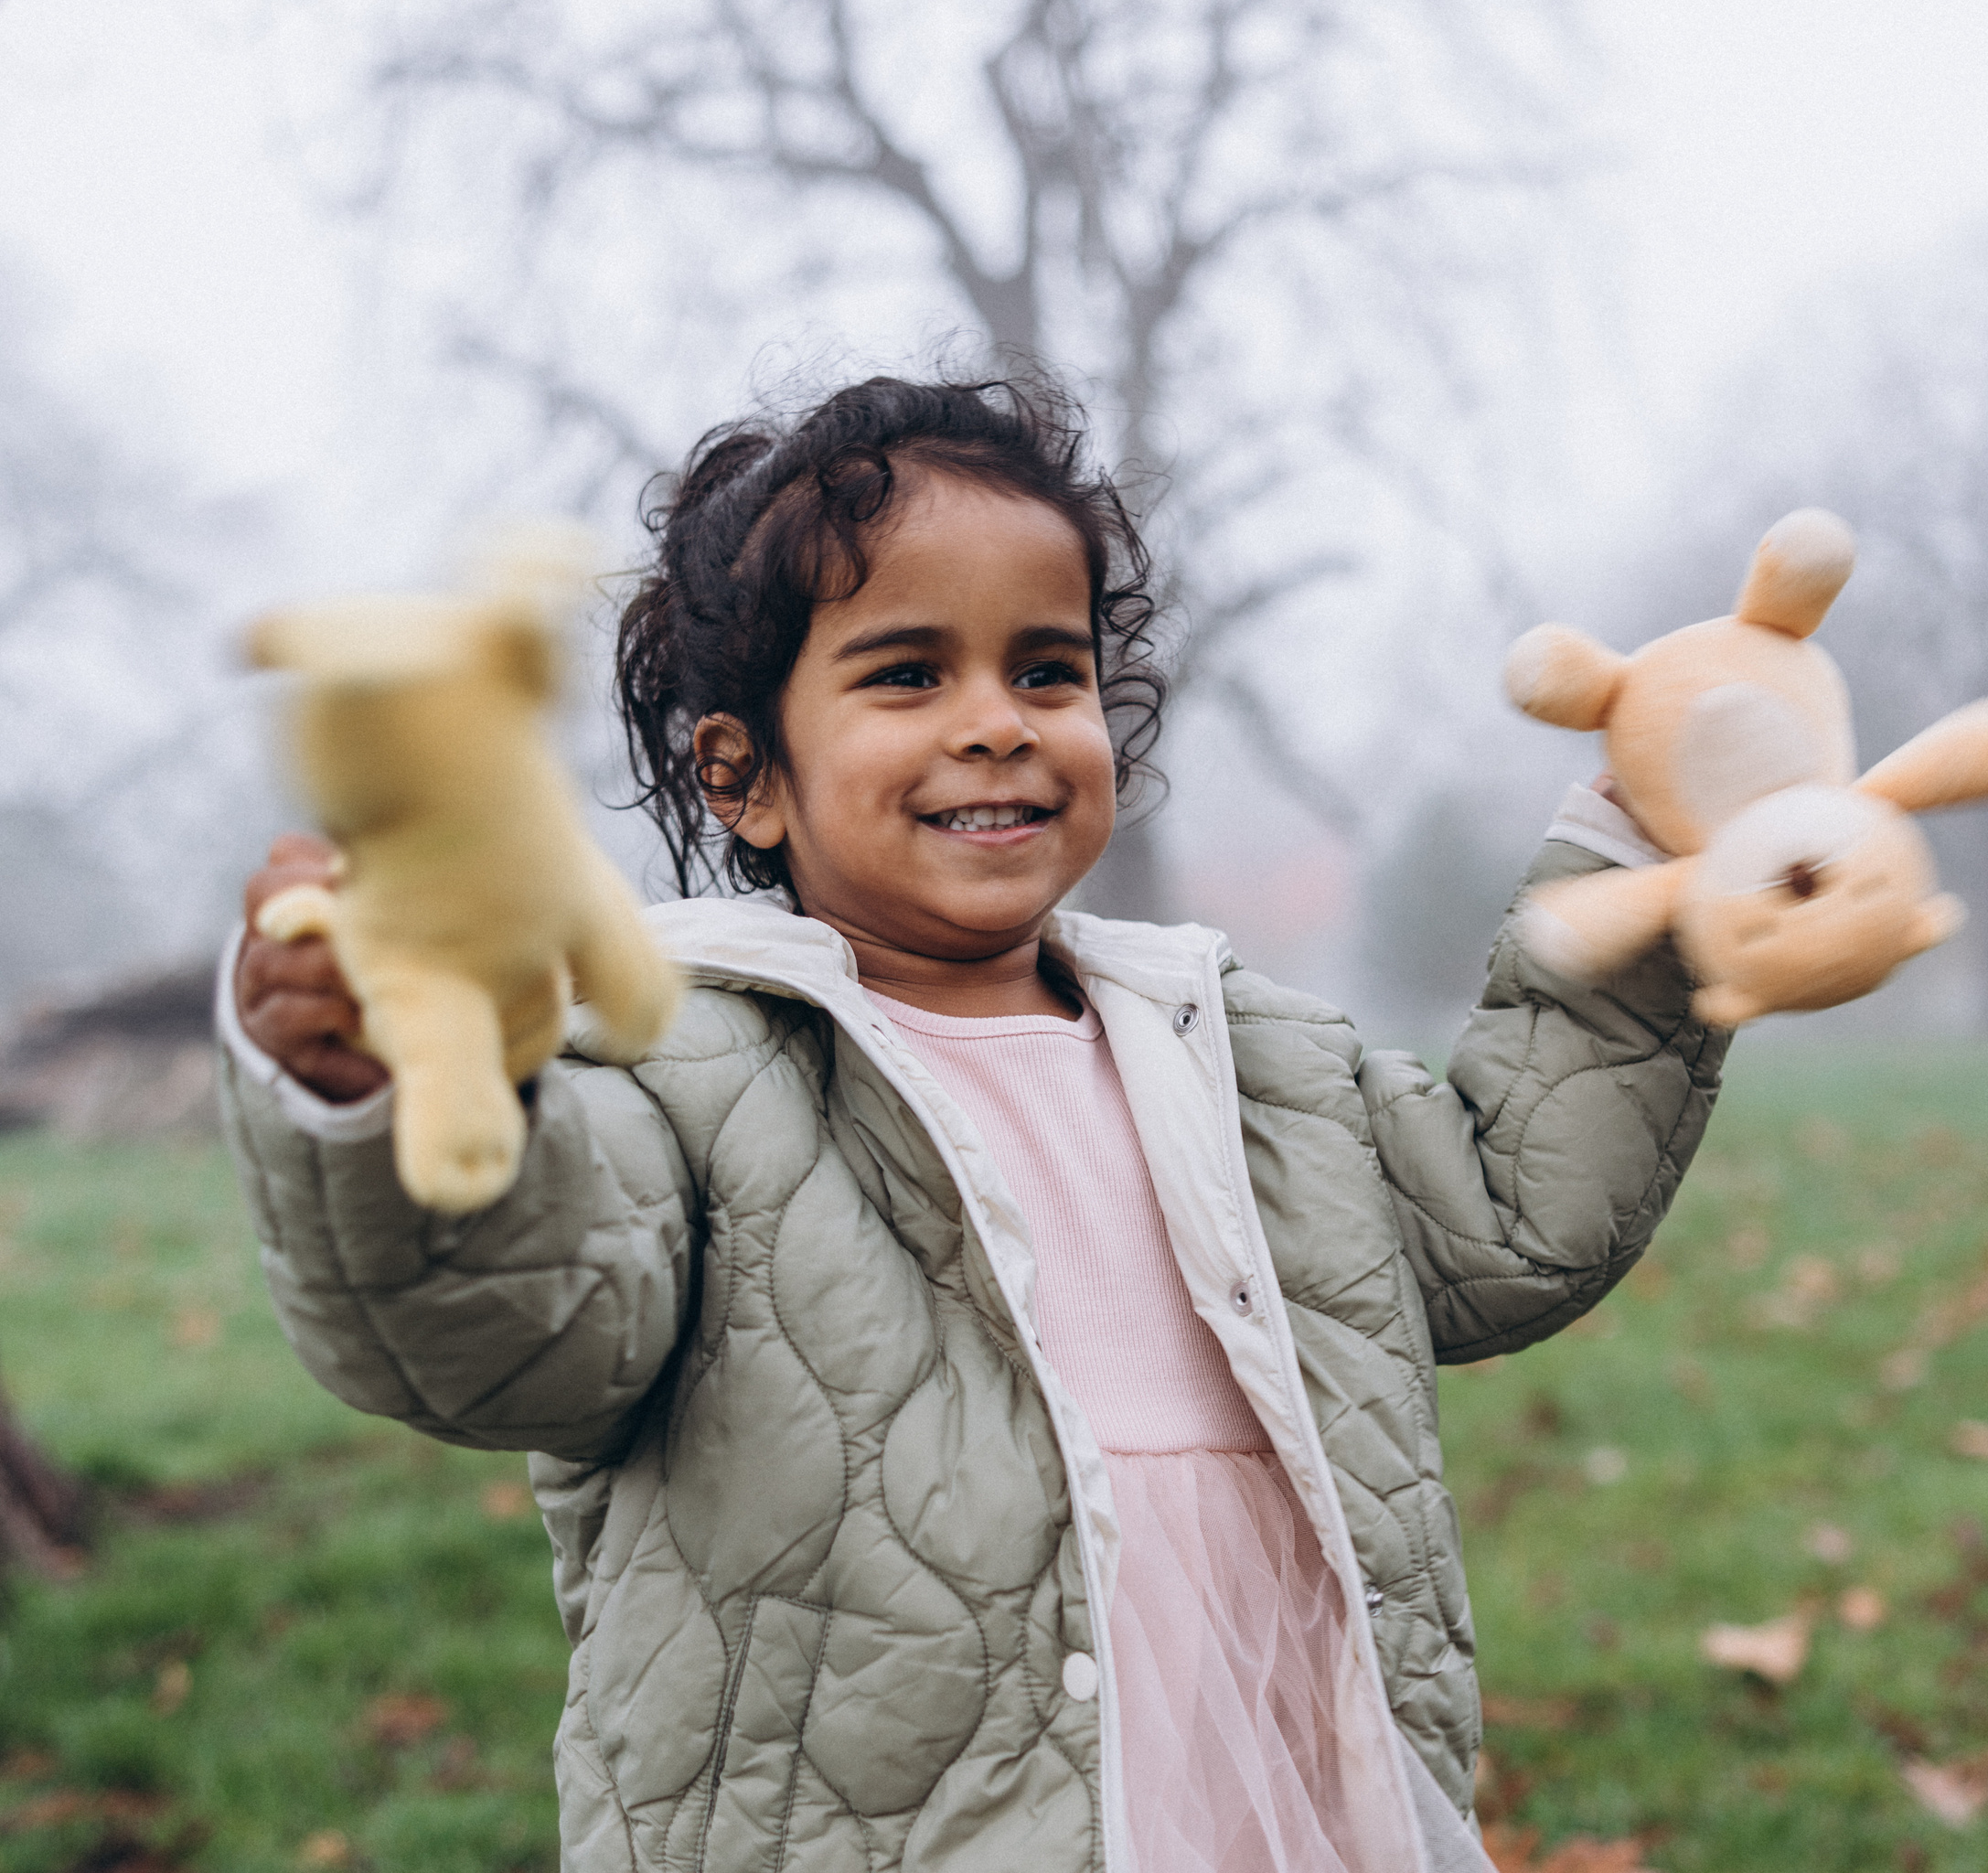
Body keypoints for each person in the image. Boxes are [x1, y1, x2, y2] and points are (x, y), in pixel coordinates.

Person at [220, 371, 1726, 1873]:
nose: (997, 725)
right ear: (743, 775)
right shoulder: (681, 1074)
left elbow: (1512, 1211)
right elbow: (525, 1322)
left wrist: (1649, 872)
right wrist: (374, 1097)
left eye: (1048, 672)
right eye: (906, 676)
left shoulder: (1236, 1051)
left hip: (1281, 1793)